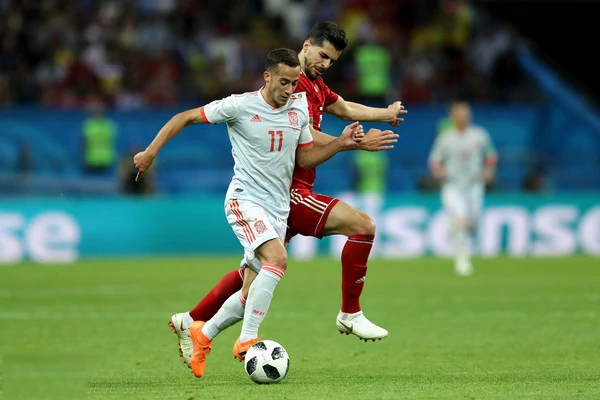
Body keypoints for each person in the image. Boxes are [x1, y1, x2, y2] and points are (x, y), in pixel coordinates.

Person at [134, 48, 398, 378]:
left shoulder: (298, 108)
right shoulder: (239, 105)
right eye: (284, 82)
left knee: (250, 290)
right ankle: (247, 340)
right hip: (245, 200)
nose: (290, 90)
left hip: (277, 208)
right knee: (278, 259)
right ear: (267, 77)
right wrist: (151, 152)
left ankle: (202, 332)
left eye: (294, 84)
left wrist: (342, 143)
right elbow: (183, 117)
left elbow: (305, 159)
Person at [428, 101, 498, 276]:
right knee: (460, 220)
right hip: (452, 186)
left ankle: (456, 231)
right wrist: (439, 172)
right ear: (452, 117)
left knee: (471, 224)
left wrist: (489, 171)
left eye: (465, 114)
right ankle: (462, 259)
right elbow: (434, 161)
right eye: (458, 114)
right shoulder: (445, 138)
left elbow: (490, 155)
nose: (462, 117)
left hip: (474, 185)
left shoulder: (479, 135)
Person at [82, 100, 117, 174]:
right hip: (104, 158)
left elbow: (84, 142)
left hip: (94, 158)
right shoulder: (109, 125)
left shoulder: (88, 125)